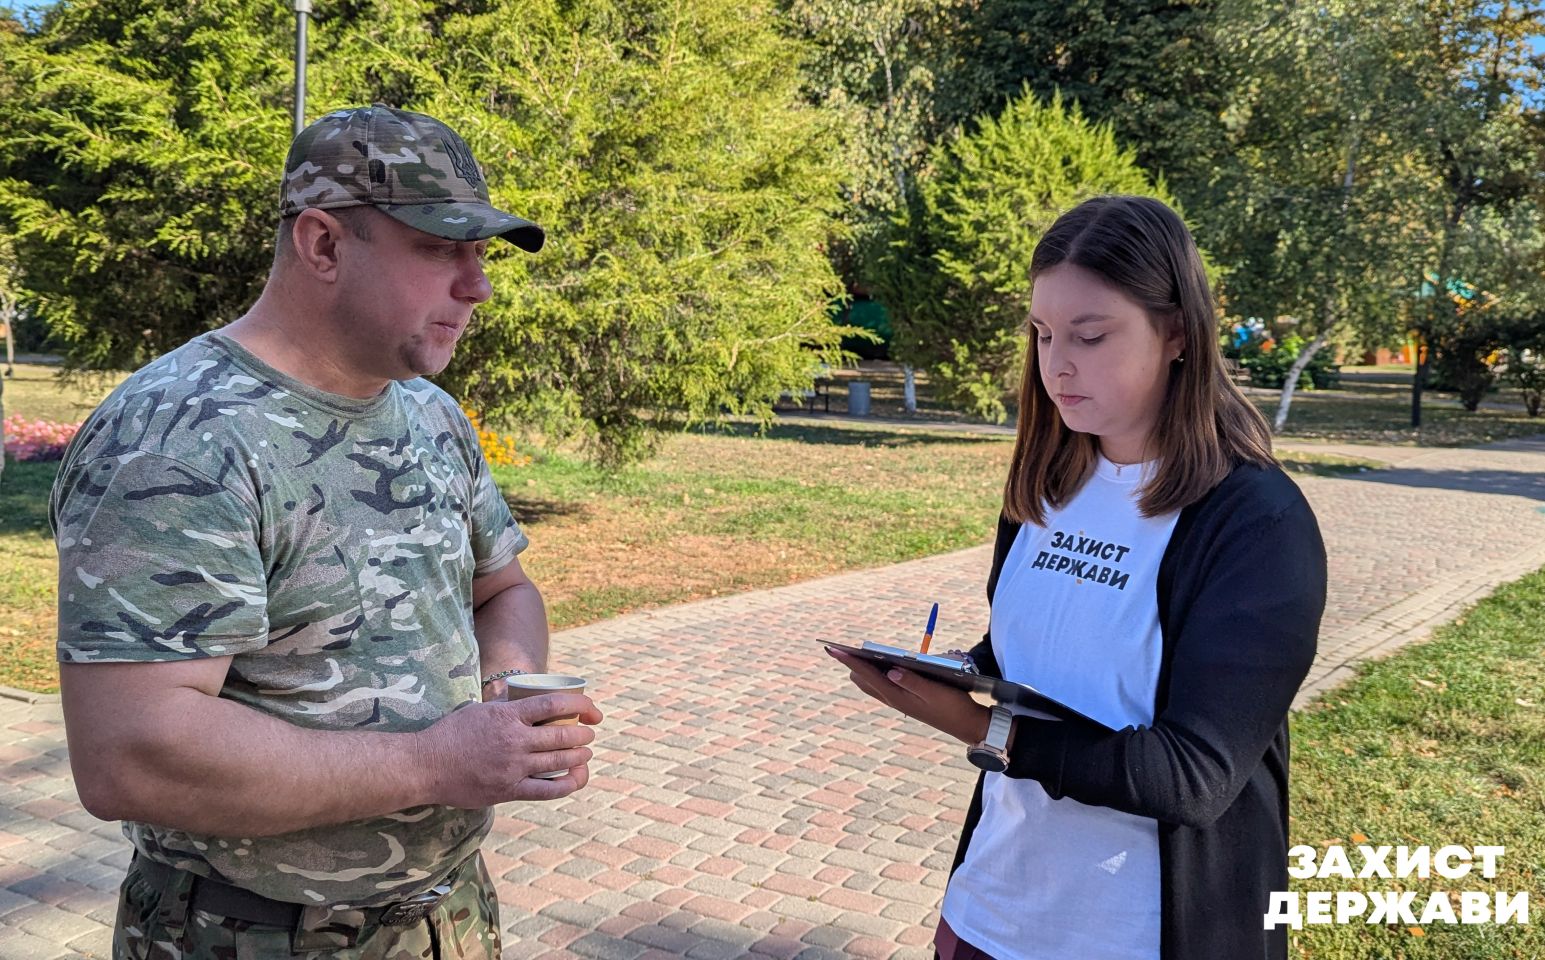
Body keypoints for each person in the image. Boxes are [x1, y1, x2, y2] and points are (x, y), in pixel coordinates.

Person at [50, 104, 602, 959]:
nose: (477, 286)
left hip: (448, 916)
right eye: (440, 248)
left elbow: (502, 589)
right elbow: (131, 755)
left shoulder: (428, 413)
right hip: (249, 934)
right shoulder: (177, 437)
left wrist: (505, 700)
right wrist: (438, 762)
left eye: (481, 254)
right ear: (322, 245)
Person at [829, 195, 1326, 960]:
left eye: (1090, 336)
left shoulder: (1256, 522)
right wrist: (957, 669)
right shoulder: (1045, 483)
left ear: (1177, 334)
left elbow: (1196, 775)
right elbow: (1039, 654)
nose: (1056, 364)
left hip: (1137, 934)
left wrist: (986, 730)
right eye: (1041, 333)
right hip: (990, 910)